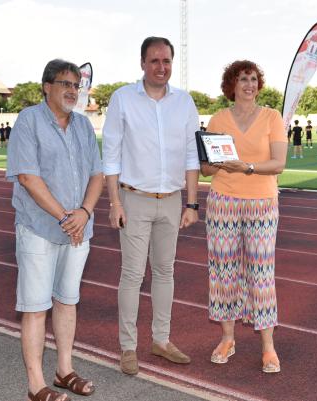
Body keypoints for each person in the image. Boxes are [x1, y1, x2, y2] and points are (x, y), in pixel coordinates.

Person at [6, 59, 103, 401]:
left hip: (79, 230)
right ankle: (36, 384)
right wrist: (66, 216)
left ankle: (64, 371)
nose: (72, 91)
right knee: (35, 306)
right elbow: (28, 177)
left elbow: (97, 174)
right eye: (65, 84)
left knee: (67, 301)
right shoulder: (29, 121)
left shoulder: (83, 126)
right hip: (40, 229)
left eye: (76, 85)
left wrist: (85, 212)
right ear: (47, 86)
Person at [102, 36, 200, 376]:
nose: (162, 66)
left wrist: (192, 203)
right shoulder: (123, 99)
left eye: (167, 60)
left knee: (165, 272)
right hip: (134, 198)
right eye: (155, 60)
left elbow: (191, 155)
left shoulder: (184, 102)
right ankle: (128, 347)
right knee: (132, 275)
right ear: (142, 63)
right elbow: (111, 154)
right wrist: (114, 202)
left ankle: (161, 339)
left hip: (172, 201)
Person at [200, 60, 287, 373]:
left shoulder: (271, 117)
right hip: (223, 201)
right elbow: (206, 169)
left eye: (253, 79)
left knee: (261, 274)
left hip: (262, 203)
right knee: (223, 271)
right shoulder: (218, 119)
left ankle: (268, 346)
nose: (249, 84)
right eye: (242, 79)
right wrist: (223, 164)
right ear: (231, 85)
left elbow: (278, 163)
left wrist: (247, 166)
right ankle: (227, 339)